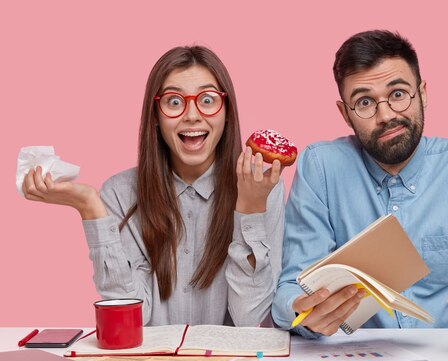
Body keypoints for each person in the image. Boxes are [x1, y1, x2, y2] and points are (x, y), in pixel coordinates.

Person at [272, 30, 448, 339]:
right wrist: (303, 311)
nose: (385, 115)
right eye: (365, 101)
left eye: (398, 94)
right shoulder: (320, 168)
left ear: (422, 93)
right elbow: (292, 288)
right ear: (345, 114)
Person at [22, 46, 285, 327]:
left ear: (227, 112)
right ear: (156, 117)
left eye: (207, 100)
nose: (192, 115)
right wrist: (89, 207)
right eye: (174, 102)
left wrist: (249, 210)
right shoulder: (120, 194)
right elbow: (130, 320)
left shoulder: (263, 187)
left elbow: (250, 320)